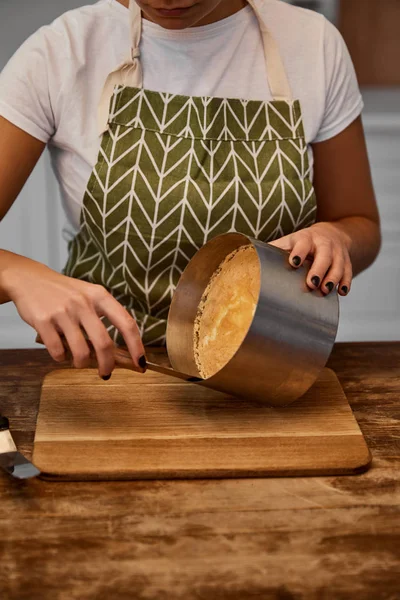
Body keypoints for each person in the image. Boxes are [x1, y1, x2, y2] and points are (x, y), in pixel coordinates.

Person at [0, 0, 380, 379]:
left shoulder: (313, 44)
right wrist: (16, 273)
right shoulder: (61, 51)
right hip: (111, 368)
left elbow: (360, 223)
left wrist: (336, 237)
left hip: (269, 371)